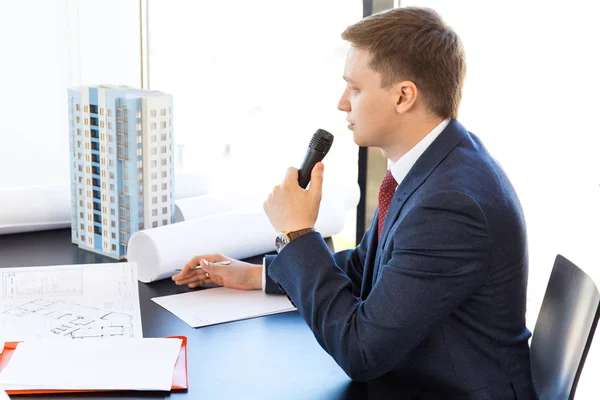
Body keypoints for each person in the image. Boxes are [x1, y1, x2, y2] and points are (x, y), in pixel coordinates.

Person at [173, 7, 537, 399]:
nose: (342, 103)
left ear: (403, 96)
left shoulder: (450, 206)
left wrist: (297, 234)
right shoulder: (434, 161)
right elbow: (368, 268)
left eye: (355, 88)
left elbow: (360, 351)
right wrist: (256, 276)